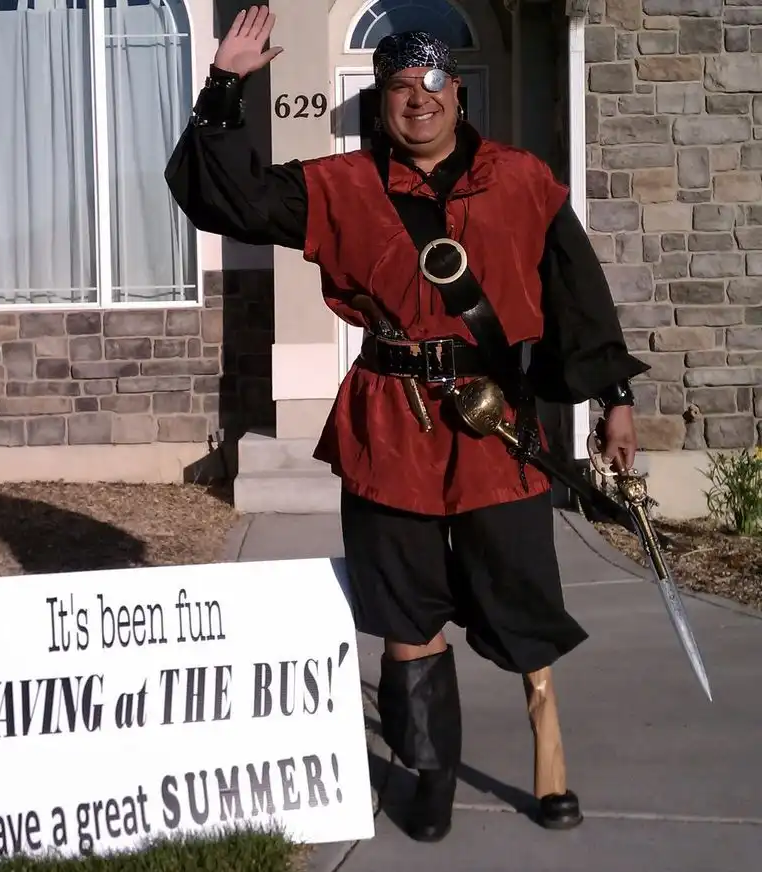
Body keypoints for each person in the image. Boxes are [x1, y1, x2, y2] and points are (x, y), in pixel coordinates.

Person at [165, 6, 649, 844]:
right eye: (398, 86)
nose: (417, 99)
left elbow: (576, 293)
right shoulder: (340, 185)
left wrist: (614, 399)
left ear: (457, 93)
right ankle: (429, 770)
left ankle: (549, 749)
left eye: (431, 82)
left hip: (496, 425)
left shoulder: (522, 180)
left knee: (517, 592)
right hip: (390, 425)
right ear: (380, 100)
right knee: (405, 609)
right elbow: (227, 196)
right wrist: (224, 86)